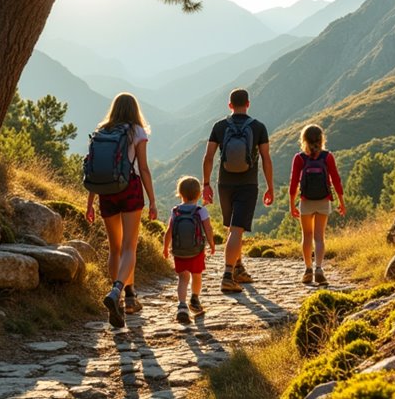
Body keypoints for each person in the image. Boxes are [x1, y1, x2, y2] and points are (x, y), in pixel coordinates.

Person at [85, 93, 157, 328]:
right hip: (129, 189)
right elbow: (143, 168)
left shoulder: (102, 130)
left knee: (115, 249)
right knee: (129, 246)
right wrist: (153, 201)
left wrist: (89, 203)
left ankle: (129, 296)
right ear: (134, 110)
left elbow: (95, 170)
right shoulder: (137, 131)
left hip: (106, 192)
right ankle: (117, 291)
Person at [202, 88, 274, 293]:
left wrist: (205, 184)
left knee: (234, 227)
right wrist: (270, 186)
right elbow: (266, 159)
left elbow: (208, 157)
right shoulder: (258, 127)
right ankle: (227, 275)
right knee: (236, 228)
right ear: (248, 104)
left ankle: (238, 269)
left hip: (224, 183)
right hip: (248, 184)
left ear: (230, 105)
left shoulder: (220, 126)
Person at [288, 124, 346, 285]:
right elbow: (336, 180)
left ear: (303, 140)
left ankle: (308, 269)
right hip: (323, 200)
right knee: (319, 237)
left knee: (306, 236)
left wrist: (292, 205)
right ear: (321, 139)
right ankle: (319, 268)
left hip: (306, 201)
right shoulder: (327, 157)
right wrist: (341, 202)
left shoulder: (299, 158)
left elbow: (293, 184)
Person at [162, 176, 216, 323]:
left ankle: (182, 306)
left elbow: (169, 231)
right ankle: (195, 298)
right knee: (197, 275)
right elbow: (208, 229)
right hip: (196, 251)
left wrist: (165, 248)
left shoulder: (176, 211)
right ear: (199, 194)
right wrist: (211, 244)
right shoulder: (201, 211)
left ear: (180, 194)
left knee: (183, 278)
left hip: (179, 251)